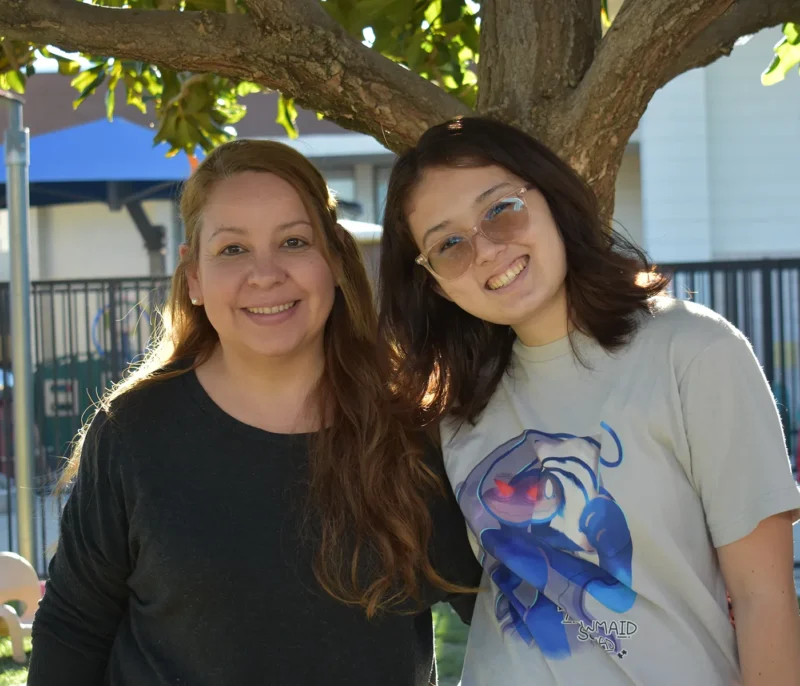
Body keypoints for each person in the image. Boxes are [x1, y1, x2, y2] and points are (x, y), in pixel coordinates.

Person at [28, 139, 482, 686]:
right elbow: (74, 626)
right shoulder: (134, 431)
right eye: (233, 250)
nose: (265, 275)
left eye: (293, 241)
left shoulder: (408, 426)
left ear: (335, 260)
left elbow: (498, 611)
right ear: (193, 275)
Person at [378, 116, 800, 686]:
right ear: (433, 283)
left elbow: (764, 599)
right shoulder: (453, 407)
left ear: (550, 196)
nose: (485, 250)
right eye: (448, 244)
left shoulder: (694, 352)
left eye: (501, 209)